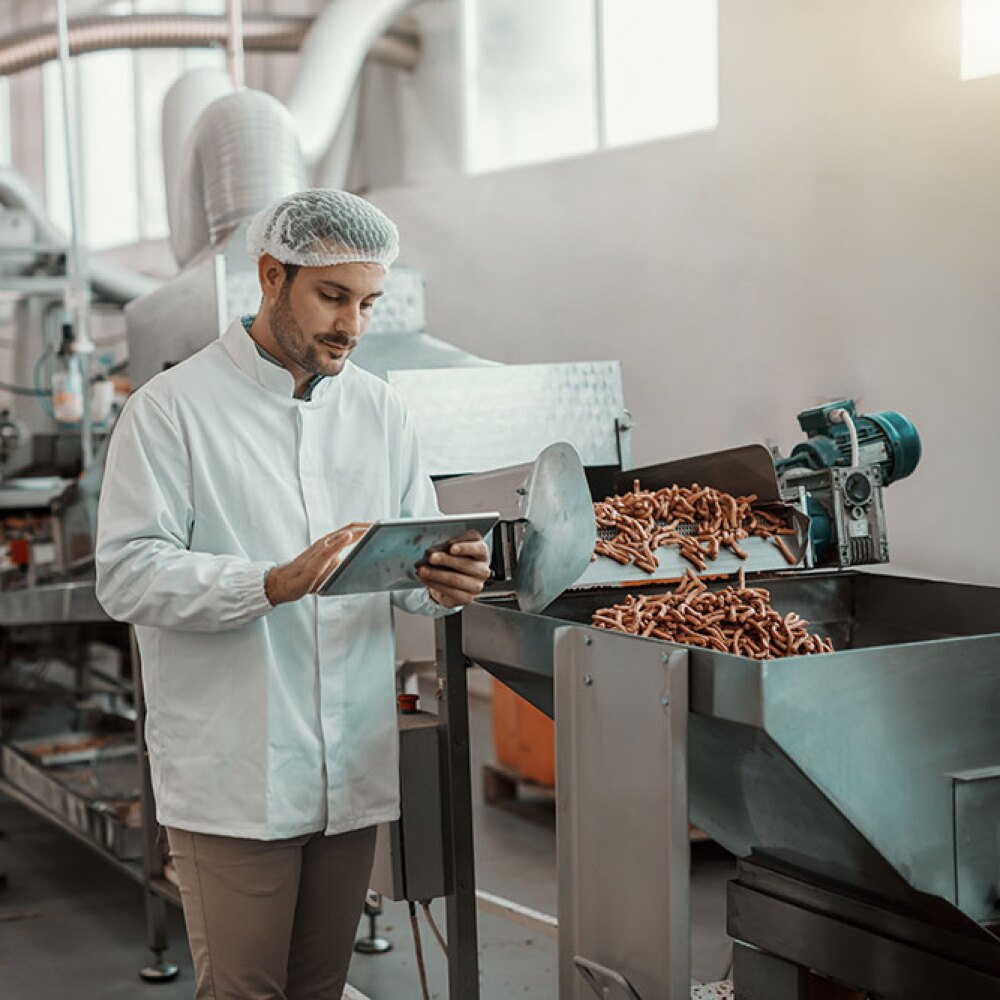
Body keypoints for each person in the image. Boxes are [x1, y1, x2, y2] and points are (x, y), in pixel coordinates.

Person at [95, 189, 491, 1000]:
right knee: (245, 991)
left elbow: (409, 575)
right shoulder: (171, 411)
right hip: (234, 773)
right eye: (333, 297)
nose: (353, 324)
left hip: (348, 766)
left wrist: (447, 583)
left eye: (368, 302)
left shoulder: (379, 411)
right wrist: (269, 583)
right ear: (273, 276)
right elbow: (127, 571)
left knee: (321, 988)